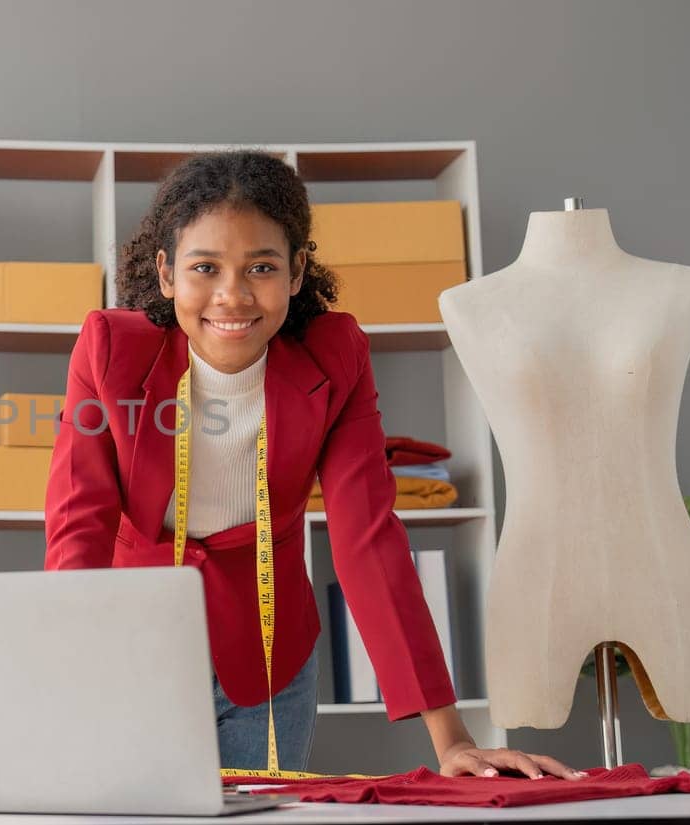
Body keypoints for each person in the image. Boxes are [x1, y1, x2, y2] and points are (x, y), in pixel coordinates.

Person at [42, 151, 585, 781]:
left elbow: (368, 540)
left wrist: (453, 739)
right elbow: (78, 521)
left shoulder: (336, 355)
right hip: (125, 650)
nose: (233, 295)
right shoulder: (111, 350)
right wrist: (67, 680)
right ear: (165, 273)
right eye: (204, 267)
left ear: (298, 270)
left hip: (269, 660)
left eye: (262, 267)